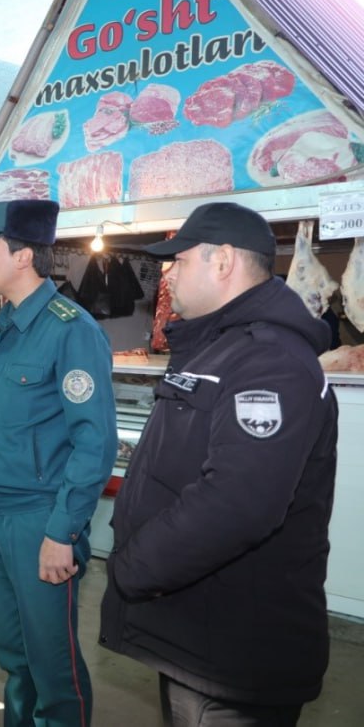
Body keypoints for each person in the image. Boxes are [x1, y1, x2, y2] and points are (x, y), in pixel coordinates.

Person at [100, 202, 338, 726]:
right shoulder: (220, 349)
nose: (169, 273)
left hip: (236, 646)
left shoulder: (270, 360)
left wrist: (134, 568)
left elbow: (238, 503)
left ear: (224, 260)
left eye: (180, 260)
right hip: (196, 630)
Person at [0, 199, 118, 727]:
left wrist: (62, 532)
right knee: (13, 654)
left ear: (23, 256)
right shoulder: (5, 325)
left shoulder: (71, 330)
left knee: (52, 665)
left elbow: (94, 443)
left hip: (40, 520)